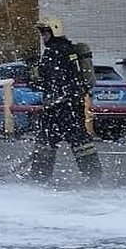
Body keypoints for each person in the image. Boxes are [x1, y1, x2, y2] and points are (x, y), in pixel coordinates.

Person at [27, 16, 102, 183]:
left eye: (45, 33)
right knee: (81, 142)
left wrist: (32, 70)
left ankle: (39, 178)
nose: (43, 37)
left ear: (54, 31)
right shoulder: (70, 51)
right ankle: (94, 176)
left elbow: (44, 81)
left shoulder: (53, 53)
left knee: (46, 142)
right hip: (72, 106)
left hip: (57, 107)